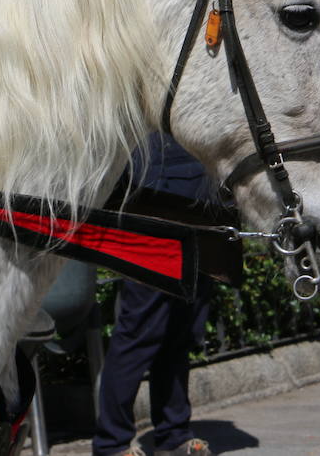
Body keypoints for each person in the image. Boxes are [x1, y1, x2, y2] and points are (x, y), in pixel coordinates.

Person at [93, 134, 216, 456]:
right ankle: (112, 444)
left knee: (181, 333)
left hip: (202, 207)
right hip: (157, 207)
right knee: (139, 332)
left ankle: (174, 435)